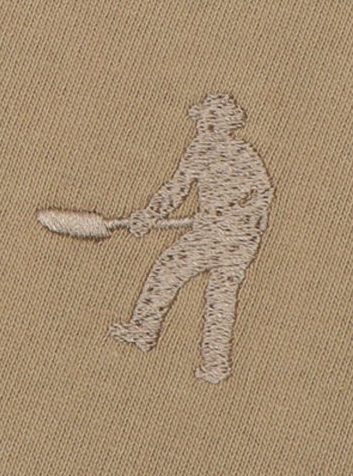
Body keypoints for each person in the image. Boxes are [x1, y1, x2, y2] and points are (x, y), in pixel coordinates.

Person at [108, 94, 273, 383]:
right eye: (203, 120)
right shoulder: (198, 150)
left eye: (213, 120)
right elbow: (176, 188)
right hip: (209, 229)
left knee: (217, 294)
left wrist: (238, 216)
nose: (205, 126)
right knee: (170, 269)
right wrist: (150, 215)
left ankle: (215, 364)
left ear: (228, 124)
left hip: (238, 237)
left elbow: (263, 194)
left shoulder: (244, 154)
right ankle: (144, 331)